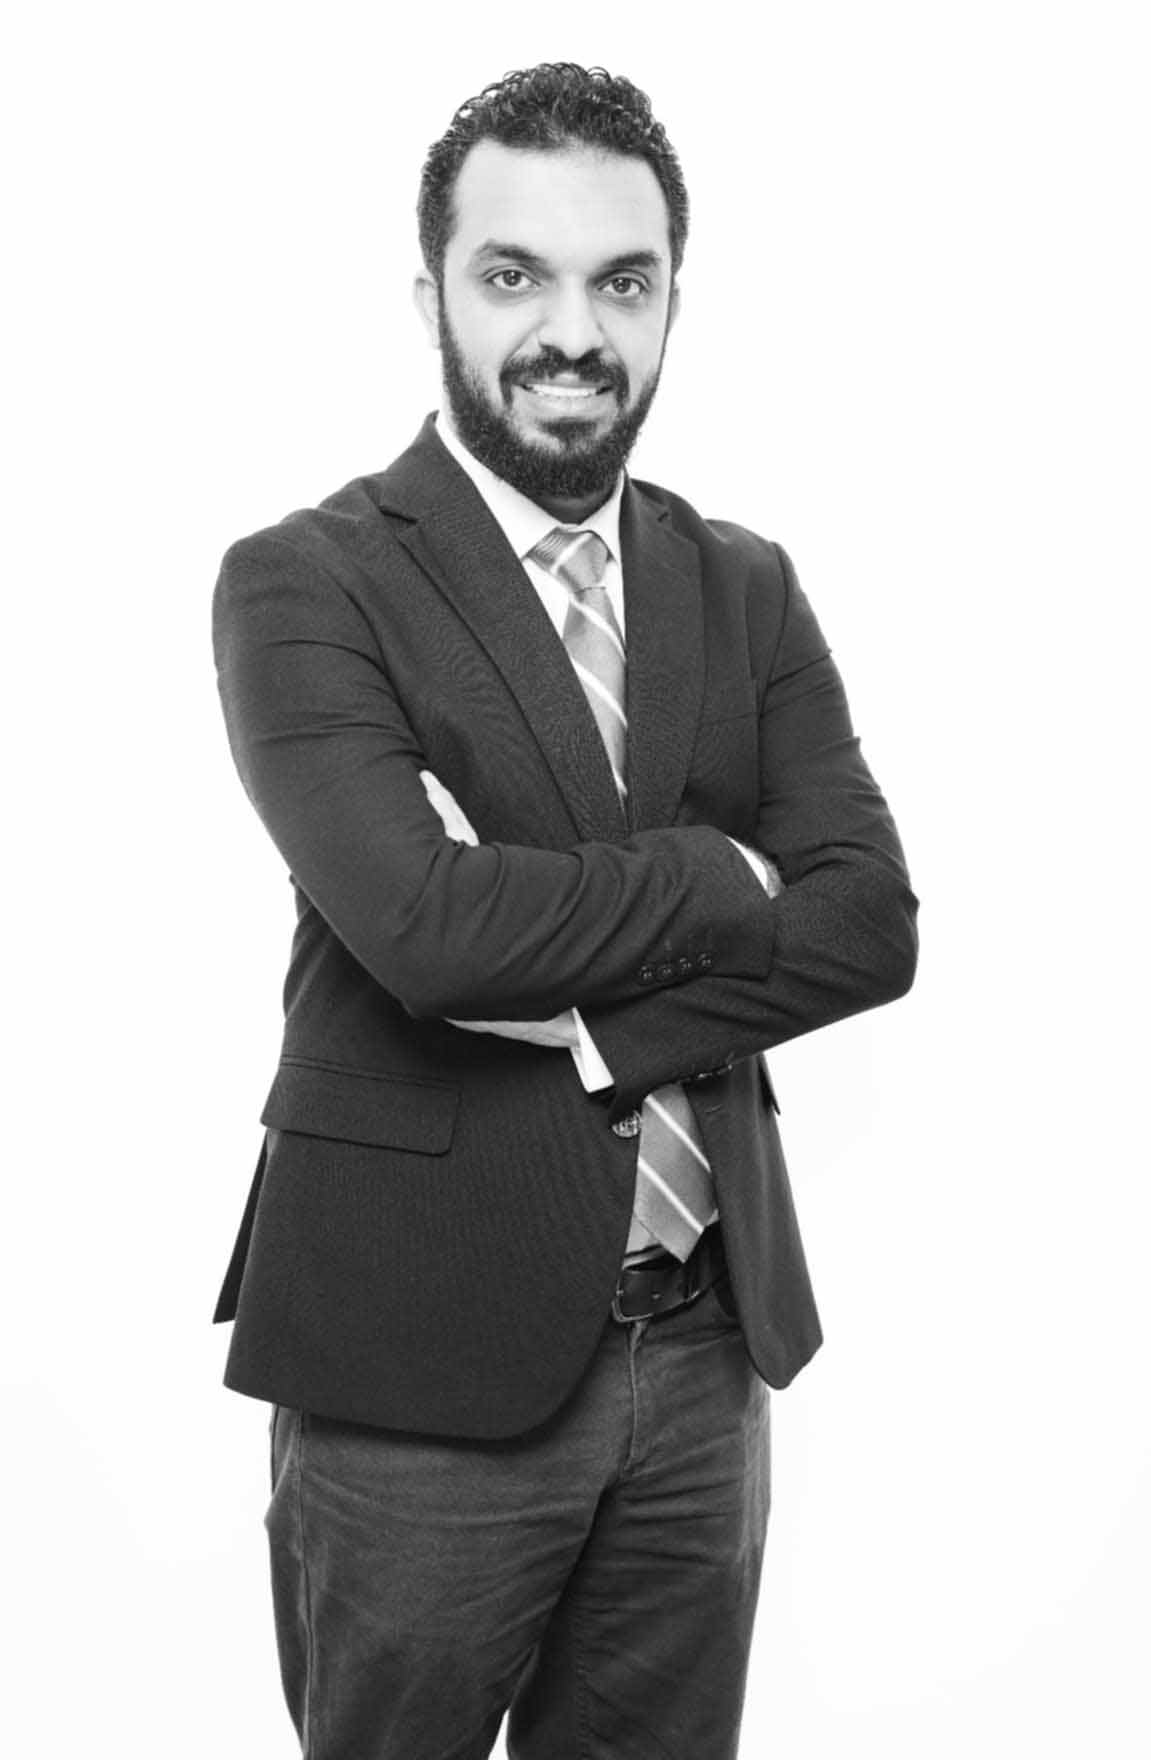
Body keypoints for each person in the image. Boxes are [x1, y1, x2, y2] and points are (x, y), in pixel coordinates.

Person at [211, 61, 918, 1760]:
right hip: (414, 1364)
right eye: (514, 274)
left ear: (672, 301)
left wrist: (582, 1003)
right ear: (433, 297)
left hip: (704, 1348)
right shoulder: (307, 581)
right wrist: (726, 875)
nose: (573, 332)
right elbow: (428, 931)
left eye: (624, 280)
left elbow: (871, 925)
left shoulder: (742, 581)